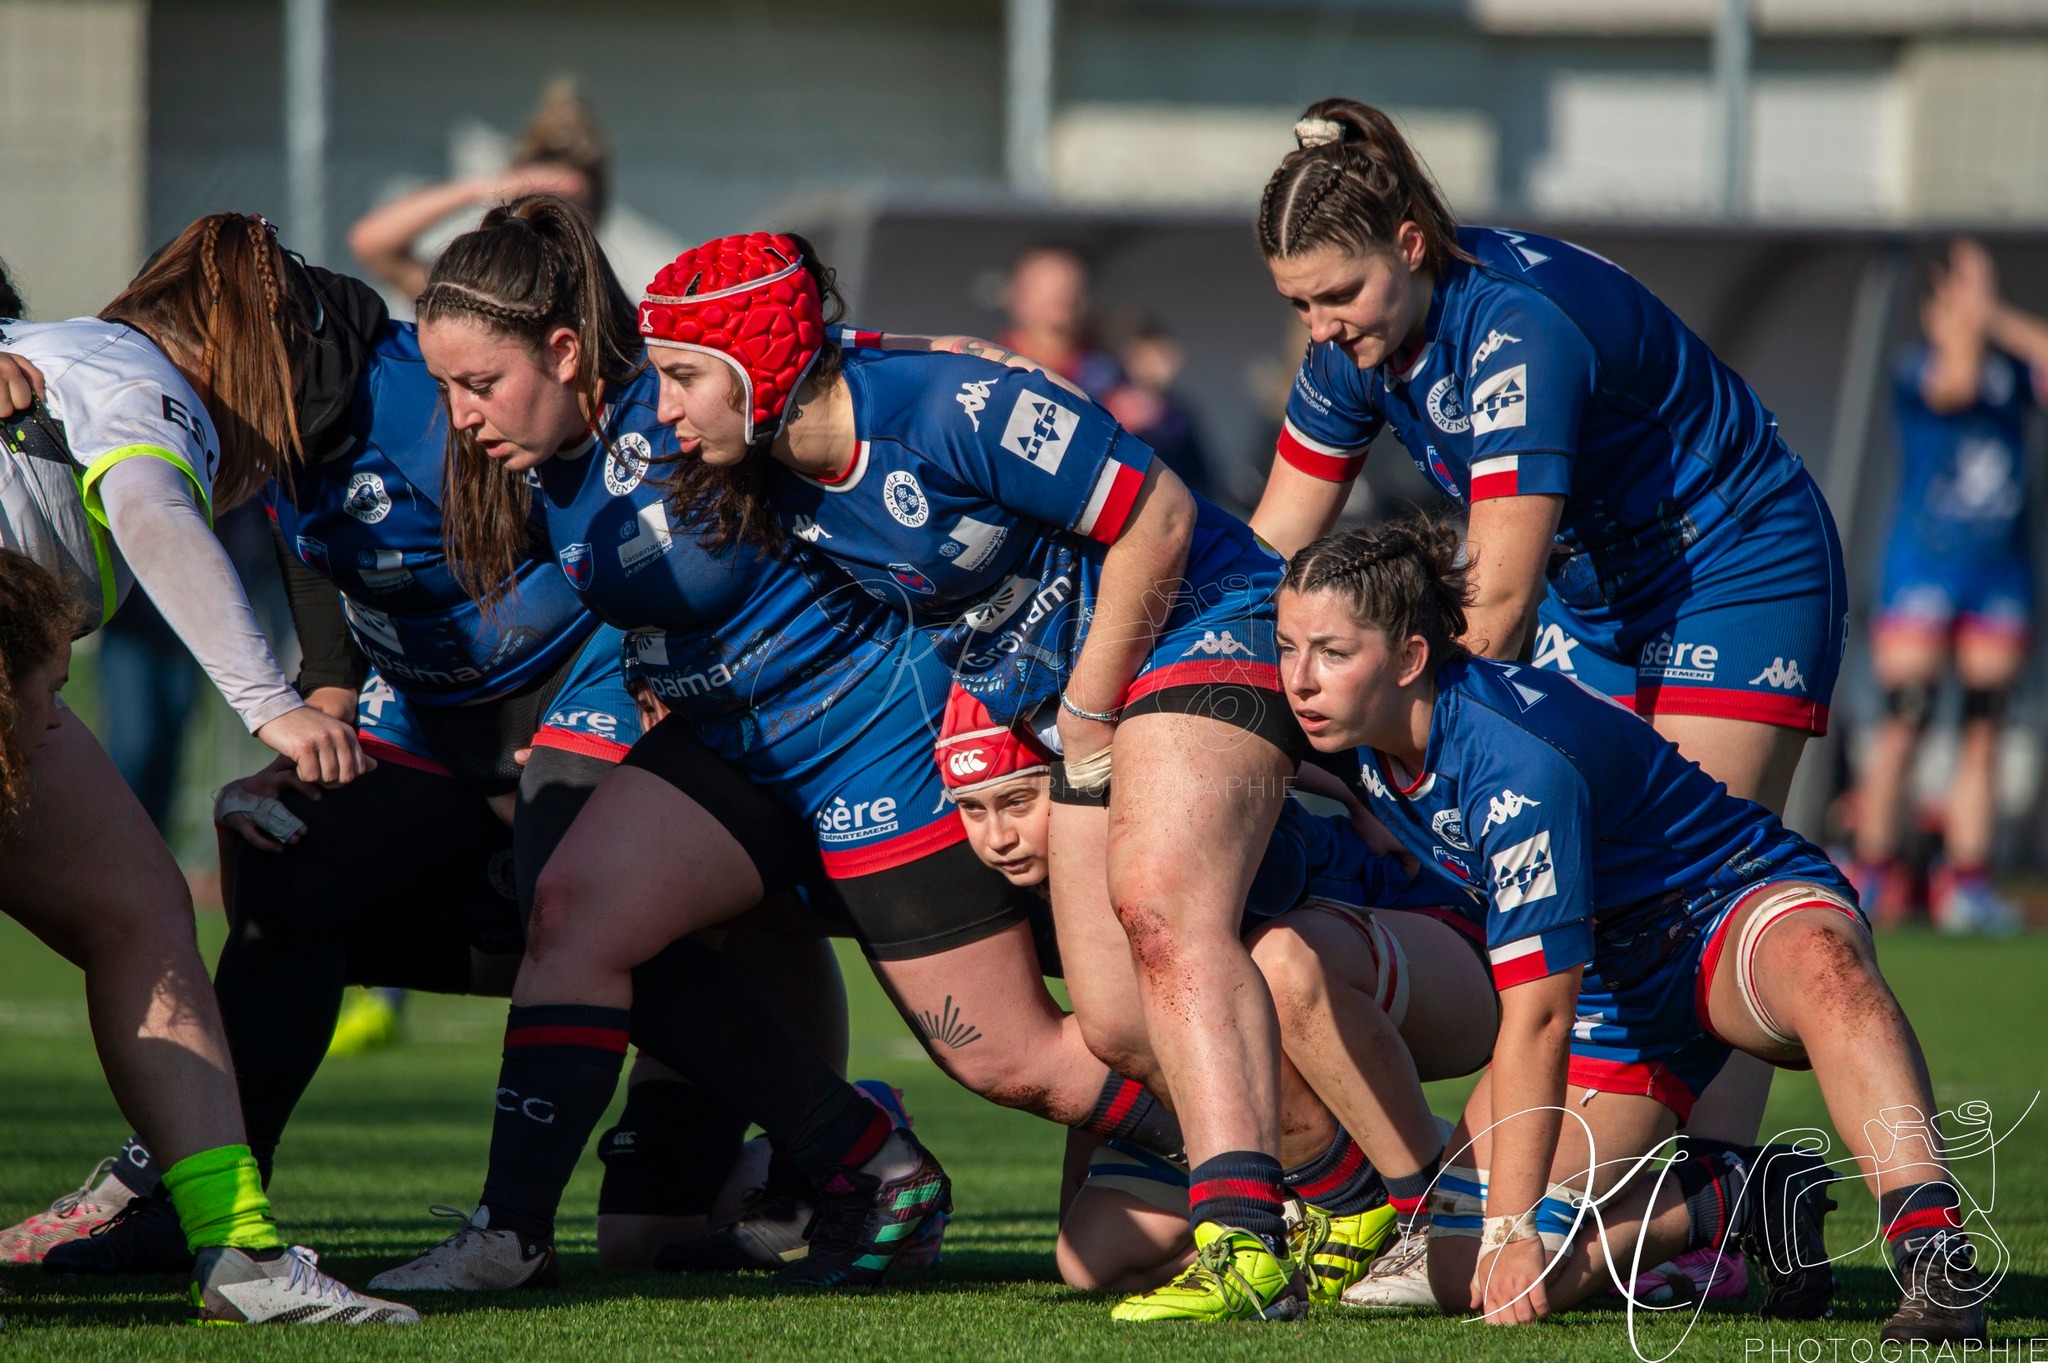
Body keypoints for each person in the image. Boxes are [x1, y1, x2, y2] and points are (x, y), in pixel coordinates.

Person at [375, 200, 1199, 1293]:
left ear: (564, 350)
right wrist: (345, 711)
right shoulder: (538, 461)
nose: (461, 414)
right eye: (445, 389)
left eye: (478, 384)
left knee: (1008, 1059)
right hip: (728, 746)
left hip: (872, 736)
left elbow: (837, 387)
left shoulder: (688, 398)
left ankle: (1264, 1153)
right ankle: (517, 1229)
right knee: (571, 910)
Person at [650, 231, 1324, 1323]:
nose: (669, 409)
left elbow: (1158, 518)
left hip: (1206, 622)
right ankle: (1342, 1179)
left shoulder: (949, 406)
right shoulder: (785, 463)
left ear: (757, 364)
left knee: (1155, 909)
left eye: (684, 377)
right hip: (1087, 698)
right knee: (1107, 1025)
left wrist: (1087, 715)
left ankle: (1268, 1224)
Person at [1248, 95, 1855, 1295]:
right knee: (1579, 937)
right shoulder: (1351, 351)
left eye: (1338, 296)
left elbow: (1493, 611)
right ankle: (1663, 1204)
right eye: (1296, 304)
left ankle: (1727, 1199)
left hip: (1731, 570)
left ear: (1411, 246)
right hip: (1603, 588)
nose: (1320, 328)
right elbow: (1269, 544)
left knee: (1677, 895)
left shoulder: (1515, 326)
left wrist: (1391, 759)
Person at [1276, 512, 1990, 1345]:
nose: (1300, 679)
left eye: (1331, 651)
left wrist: (1515, 1226)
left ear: (1409, 659)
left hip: (1721, 906)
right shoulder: (1351, 719)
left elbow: (1538, 1015)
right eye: (1289, 646)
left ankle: (1934, 1258)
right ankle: (1725, 1201)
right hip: (1613, 992)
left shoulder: (1512, 767)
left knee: (1826, 964)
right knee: (1461, 1272)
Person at [0, 216, 412, 1324]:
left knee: (139, 913)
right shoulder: (141, 376)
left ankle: (239, 1254)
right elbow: (151, 507)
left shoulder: (68, 356)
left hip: (16, 681)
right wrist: (272, 705)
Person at [937, 688, 1498, 1301]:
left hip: (1422, 963)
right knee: (1094, 1260)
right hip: (1271, 1058)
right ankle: (1306, 1199)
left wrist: (1353, 796)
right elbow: (1124, 1035)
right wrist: (1077, 1194)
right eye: (972, 810)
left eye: (1019, 802)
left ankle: (1420, 1202)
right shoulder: (1039, 890)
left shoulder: (1172, 828)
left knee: (1277, 962)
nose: (998, 838)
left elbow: (1252, 750)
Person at [1851, 238, 2048, 933]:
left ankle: (1967, 882)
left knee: (1984, 728)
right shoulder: (1917, 370)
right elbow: (1955, 384)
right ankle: (1875, 867)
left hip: (2000, 575)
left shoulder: (2014, 374)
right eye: (1955, 299)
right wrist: (1965, 324)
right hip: (1923, 571)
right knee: (1905, 717)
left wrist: (1992, 312)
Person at [349, 79, 609, 302]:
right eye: (531, 202)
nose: (546, 221)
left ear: (592, 218)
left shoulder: (606, 311)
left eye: (564, 206)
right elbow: (371, 242)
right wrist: (481, 188)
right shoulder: (476, 295)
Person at [998, 246, 1122, 399]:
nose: (1063, 299)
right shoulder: (993, 369)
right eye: (1044, 290)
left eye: (1072, 289)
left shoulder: (1108, 372)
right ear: (1016, 296)